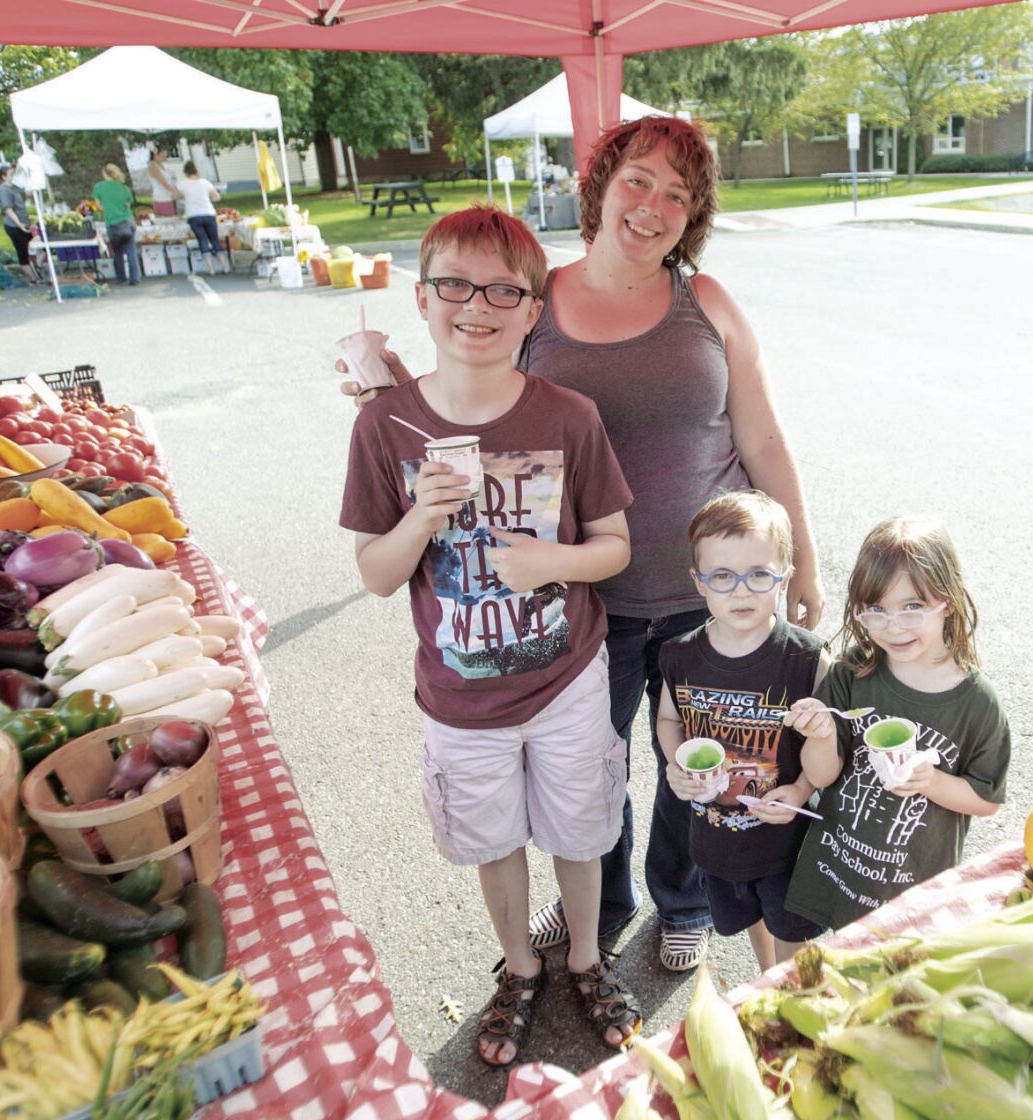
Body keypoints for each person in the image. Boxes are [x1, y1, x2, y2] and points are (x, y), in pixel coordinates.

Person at [342, 118, 824, 974]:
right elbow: (466, 380)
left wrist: (807, 563)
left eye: (679, 194)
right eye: (638, 180)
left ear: (694, 215)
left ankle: (680, 903)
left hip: (712, 597)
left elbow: (765, 436)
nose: (653, 206)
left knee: (696, 766)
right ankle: (596, 912)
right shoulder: (535, 302)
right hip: (577, 601)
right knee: (592, 776)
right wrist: (374, 380)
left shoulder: (704, 301)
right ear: (598, 186)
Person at [339, 206, 641, 1067]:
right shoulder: (384, 425)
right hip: (459, 695)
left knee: (582, 830)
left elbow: (613, 545)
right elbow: (376, 572)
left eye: (504, 290)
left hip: (567, 681)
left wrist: (552, 560)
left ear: (533, 308)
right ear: (422, 297)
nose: (478, 305)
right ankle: (518, 967)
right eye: (455, 285)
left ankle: (584, 956)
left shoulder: (568, 416)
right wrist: (419, 519)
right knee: (492, 838)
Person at [782, 517, 1011, 932]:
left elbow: (987, 800)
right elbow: (821, 775)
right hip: (839, 865)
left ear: (949, 601)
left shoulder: (977, 704)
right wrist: (823, 734)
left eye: (913, 607)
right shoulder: (854, 671)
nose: (893, 627)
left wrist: (931, 782)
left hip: (912, 889)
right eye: (876, 610)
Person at [655, 491, 827, 971]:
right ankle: (765, 976)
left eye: (759, 575)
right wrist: (675, 763)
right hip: (717, 837)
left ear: (785, 578)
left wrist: (801, 787)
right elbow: (669, 719)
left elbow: (831, 746)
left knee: (794, 941)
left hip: (785, 841)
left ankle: (796, 998)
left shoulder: (807, 659)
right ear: (699, 582)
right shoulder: (678, 656)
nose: (741, 591)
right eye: (723, 577)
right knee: (751, 921)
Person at [92, 164, 140, 287]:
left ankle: (121, 277)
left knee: (117, 252)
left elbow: (98, 206)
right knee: (131, 251)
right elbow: (128, 205)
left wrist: (107, 208)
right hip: (127, 220)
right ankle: (135, 278)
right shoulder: (124, 188)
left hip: (112, 222)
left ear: (105, 174)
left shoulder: (99, 187)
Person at [177, 162, 223, 275]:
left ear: (185, 172)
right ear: (196, 171)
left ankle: (211, 269)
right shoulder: (205, 182)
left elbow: (176, 195)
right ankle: (224, 266)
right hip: (208, 213)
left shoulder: (182, 184)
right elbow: (216, 196)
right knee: (214, 239)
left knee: (202, 240)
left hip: (193, 215)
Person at [0, 165, 37, 284]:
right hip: (14, 225)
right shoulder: (4, 190)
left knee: (36, 246)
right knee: (22, 251)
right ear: (4, 176)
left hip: (25, 222)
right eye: (11, 174)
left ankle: (36, 268)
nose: (14, 176)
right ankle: (32, 278)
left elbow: (25, 195)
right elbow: (8, 209)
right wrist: (20, 224)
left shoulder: (15, 187)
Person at [147, 148, 181, 218]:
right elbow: (163, 182)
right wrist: (176, 192)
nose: (165, 158)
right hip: (162, 198)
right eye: (163, 156)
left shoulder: (161, 166)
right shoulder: (153, 165)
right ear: (156, 155)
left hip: (169, 197)